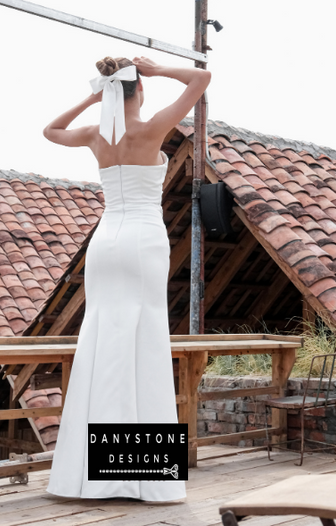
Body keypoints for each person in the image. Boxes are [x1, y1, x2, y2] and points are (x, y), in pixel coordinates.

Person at [42, 56, 211, 501]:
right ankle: (140, 476)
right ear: (139, 91)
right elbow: (201, 78)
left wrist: (91, 97)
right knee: (144, 343)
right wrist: (156, 69)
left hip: (105, 242)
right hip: (141, 240)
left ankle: (87, 474)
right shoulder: (151, 127)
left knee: (101, 343)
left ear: (110, 93)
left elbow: (51, 131)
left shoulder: (96, 135)